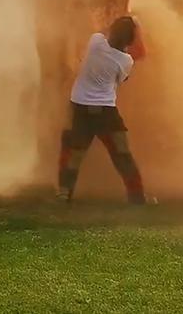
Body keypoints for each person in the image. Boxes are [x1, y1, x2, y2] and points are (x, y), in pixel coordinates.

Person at [56, 15, 153, 204]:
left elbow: (105, 31)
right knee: (122, 154)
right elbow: (122, 79)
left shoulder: (95, 41)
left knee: (73, 153)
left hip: (80, 108)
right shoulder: (125, 61)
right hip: (105, 112)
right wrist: (136, 26)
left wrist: (124, 23)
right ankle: (137, 197)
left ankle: (64, 193)